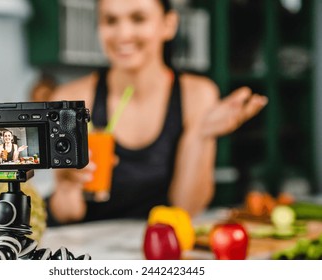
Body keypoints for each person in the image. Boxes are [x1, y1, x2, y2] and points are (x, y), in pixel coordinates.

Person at [46, 0, 268, 225]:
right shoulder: (71, 101)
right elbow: (69, 214)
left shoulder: (197, 94)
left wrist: (201, 134)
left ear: (168, 24)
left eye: (138, 19)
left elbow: (186, 208)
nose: (123, 34)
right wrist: (68, 186)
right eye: (110, 20)